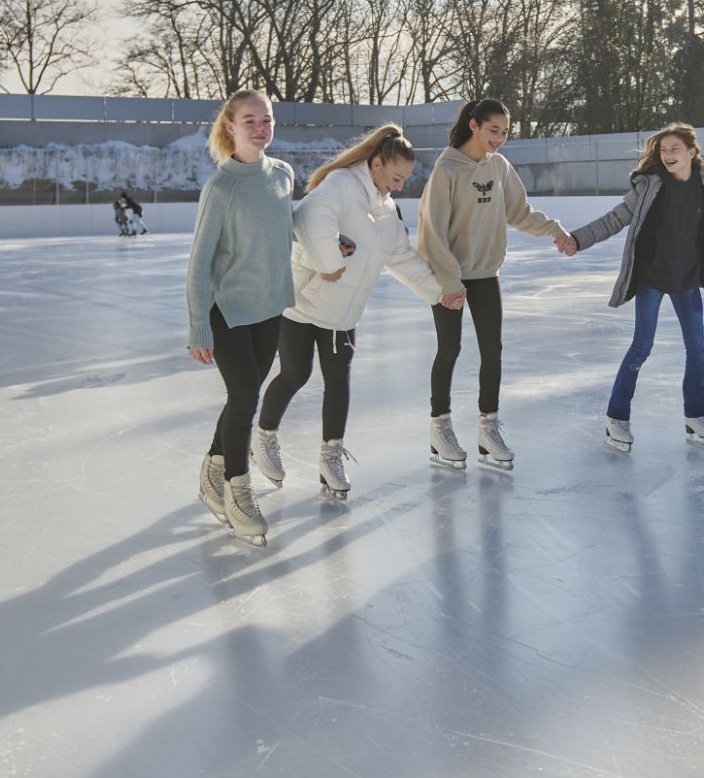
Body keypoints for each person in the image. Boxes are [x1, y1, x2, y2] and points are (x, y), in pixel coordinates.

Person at [257, 124, 464, 500]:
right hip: (303, 307)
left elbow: (400, 256)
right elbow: (311, 214)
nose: (399, 186)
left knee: (339, 382)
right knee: (294, 375)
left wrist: (439, 292)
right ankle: (264, 437)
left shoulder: (387, 210)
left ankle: (330, 458)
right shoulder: (340, 184)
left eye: (405, 180)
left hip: (343, 315)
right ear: (376, 163)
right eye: (396, 177)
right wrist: (330, 260)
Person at [185, 91, 344, 546]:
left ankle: (212, 471)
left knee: (246, 395)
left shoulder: (282, 174)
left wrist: (331, 239)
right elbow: (198, 264)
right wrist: (198, 325)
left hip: (271, 306)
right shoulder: (221, 188)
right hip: (229, 311)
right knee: (242, 399)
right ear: (230, 127)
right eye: (249, 120)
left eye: (266, 120)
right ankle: (237, 490)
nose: (260, 128)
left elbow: (285, 223)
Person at [561, 122, 704, 453]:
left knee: (698, 349)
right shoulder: (651, 186)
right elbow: (615, 218)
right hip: (652, 277)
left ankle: (696, 415)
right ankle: (617, 417)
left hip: (687, 278)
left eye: (674, 149)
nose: (667, 155)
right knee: (641, 347)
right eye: (663, 150)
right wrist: (578, 239)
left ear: (692, 152)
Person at [416, 98, 577, 471]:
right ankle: (439, 428)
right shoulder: (447, 168)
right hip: (448, 276)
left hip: (486, 272)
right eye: (494, 131)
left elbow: (518, 212)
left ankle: (488, 428)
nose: (500, 139)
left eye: (505, 132)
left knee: (493, 350)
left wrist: (555, 230)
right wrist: (450, 282)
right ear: (473, 125)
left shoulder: (500, 166)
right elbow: (431, 231)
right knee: (449, 349)